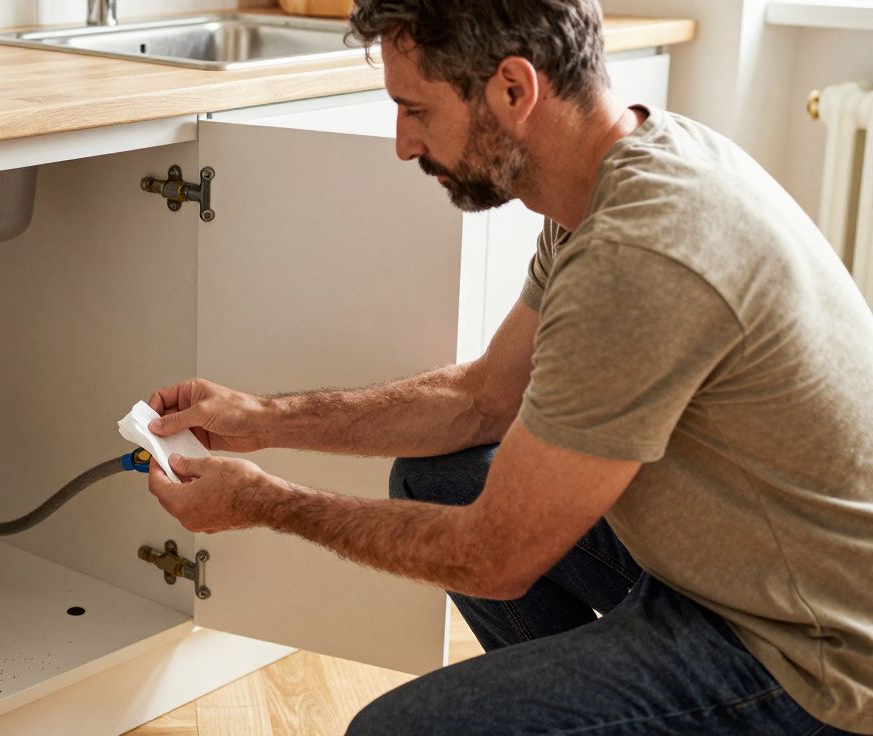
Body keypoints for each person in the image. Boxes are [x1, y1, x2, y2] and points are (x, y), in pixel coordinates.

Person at [139, 0, 873, 733]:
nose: (401, 143)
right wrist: (262, 420)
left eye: (415, 110)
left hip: (810, 658)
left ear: (514, 91)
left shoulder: (640, 253)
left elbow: (496, 558)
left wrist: (264, 503)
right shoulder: (611, 179)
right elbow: (482, 398)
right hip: (733, 564)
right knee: (438, 479)